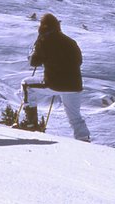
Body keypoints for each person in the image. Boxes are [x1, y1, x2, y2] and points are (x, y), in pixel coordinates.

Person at [20, 13, 90, 141]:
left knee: (26, 84)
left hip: (54, 83)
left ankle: (30, 124)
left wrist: (34, 53)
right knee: (74, 116)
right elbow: (79, 61)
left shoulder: (44, 41)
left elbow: (34, 62)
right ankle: (83, 137)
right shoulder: (70, 41)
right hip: (75, 85)